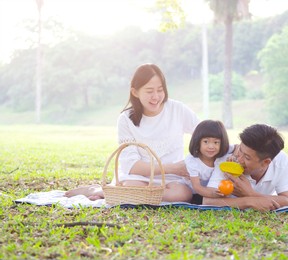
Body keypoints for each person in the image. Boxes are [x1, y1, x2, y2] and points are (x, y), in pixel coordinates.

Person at [65, 63, 199, 202]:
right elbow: (132, 166)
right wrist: (173, 168)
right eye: (149, 91)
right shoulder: (126, 119)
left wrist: (192, 162)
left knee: (183, 194)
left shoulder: (177, 109)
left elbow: (204, 134)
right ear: (135, 92)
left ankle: (121, 193)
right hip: (138, 177)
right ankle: (100, 190)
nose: (156, 96)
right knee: (132, 186)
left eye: (160, 90)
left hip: (171, 180)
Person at [203, 124, 288, 212]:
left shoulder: (280, 161)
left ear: (265, 162)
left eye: (247, 157)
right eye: (240, 150)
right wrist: (250, 202)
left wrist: (251, 193)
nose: (239, 159)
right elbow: (208, 201)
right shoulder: (227, 161)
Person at [185, 120, 232, 202]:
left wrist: (233, 159)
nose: (211, 146)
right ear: (198, 142)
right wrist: (213, 194)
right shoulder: (192, 161)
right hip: (194, 193)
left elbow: (236, 149)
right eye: (206, 142)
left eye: (216, 142)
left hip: (214, 190)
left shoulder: (222, 155)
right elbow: (197, 187)